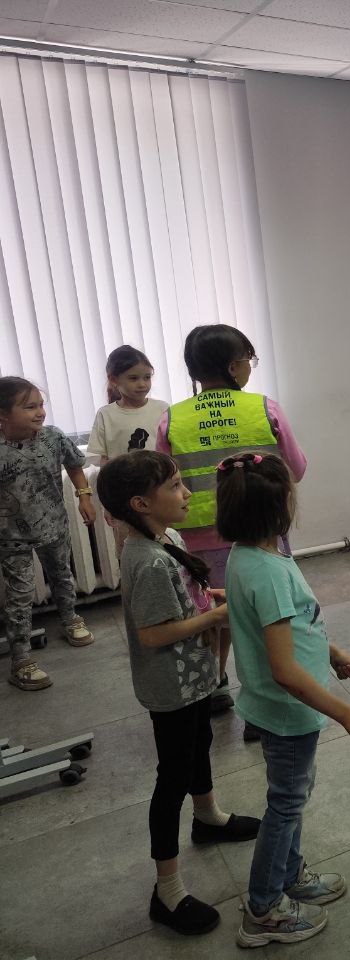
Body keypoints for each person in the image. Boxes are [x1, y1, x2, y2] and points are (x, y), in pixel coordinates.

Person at [216, 452, 350, 947]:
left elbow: (294, 625)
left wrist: (331, 651)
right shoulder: (269, 572)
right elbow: (285, 670)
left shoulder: (250, 556)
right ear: (280, 508)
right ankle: (263, 910)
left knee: (293, 794)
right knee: (286, 805)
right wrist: (346, 711)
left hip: (280, 706)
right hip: (288, 710)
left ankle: (288, 876)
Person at [96, 450, 261, 936]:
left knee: (200, 744)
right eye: (173, 487)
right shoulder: (146, 559)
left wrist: (213, 601)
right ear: (140, 504)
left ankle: (207, 818)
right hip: (171, 684)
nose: (187, 493)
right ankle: (166, 891)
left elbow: (185, 599)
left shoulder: (166, 538)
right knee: (172, 778)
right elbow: (152, 634)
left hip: (194, 675)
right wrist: (215, 617)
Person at [157, 324, 307, 717]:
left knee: (214, 612)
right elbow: (297, 468)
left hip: (197, 542)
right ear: (232, 366)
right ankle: (266, 698)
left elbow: (162, 484)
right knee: (267, 615)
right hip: (262, 534)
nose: (249, 367)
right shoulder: (264, 409)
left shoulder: (172, 419)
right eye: (248, 360)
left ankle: (215, 684)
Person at [0, 377, 96, 691]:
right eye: (29, 407)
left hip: (53, 524)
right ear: (3, 415)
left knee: (61, 575)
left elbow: (75, 466)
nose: (40, 412)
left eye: (41, 405)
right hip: (11, 537)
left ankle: (70, 619)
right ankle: (21, 660)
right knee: (19, 596)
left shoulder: (53, 437)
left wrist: (84, 497)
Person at [87, 345, 169, 464]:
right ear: (114, 380)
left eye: (147, 377)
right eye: (133, 378)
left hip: (159, 474)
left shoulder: (162, 409)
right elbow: (103, 459)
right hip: (121, 475)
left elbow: (171, 450)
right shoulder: (105, 414)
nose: (142, 384)